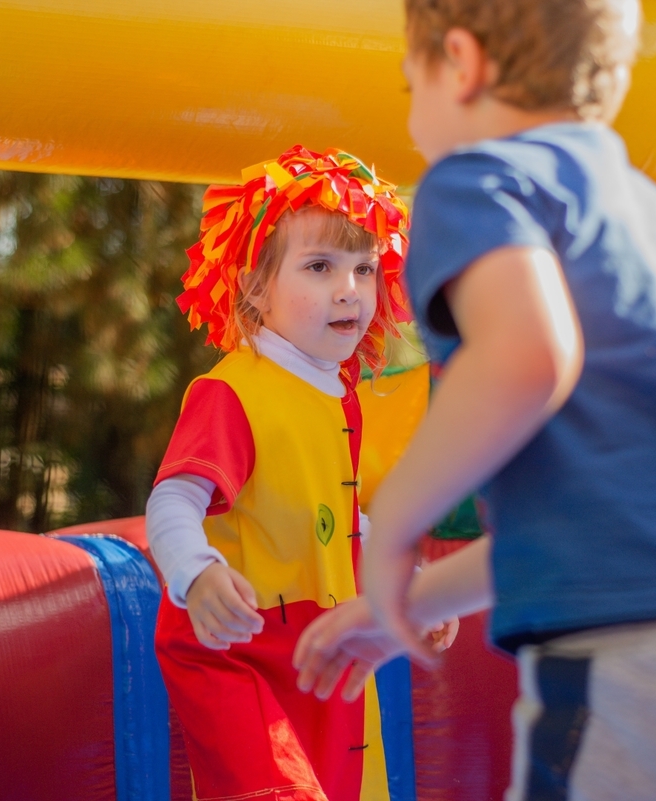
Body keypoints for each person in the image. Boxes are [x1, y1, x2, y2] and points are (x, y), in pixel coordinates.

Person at [293, 1, 656, 799]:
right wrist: (405, 606)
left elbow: (529, 358)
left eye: (407, 81)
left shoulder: (479, 182)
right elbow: (598, 530)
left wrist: (393, 525)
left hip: (651, 666)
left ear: (460, 62)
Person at [147, 146, 454, 801]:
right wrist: (196, 572)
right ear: (257, 287)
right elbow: (172, 498)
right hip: (237, 654)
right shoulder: (234, 391)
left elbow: (342, 524)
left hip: (317, 651)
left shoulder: (336, 394)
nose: (350, 289)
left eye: (365, 269)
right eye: (319, 267)